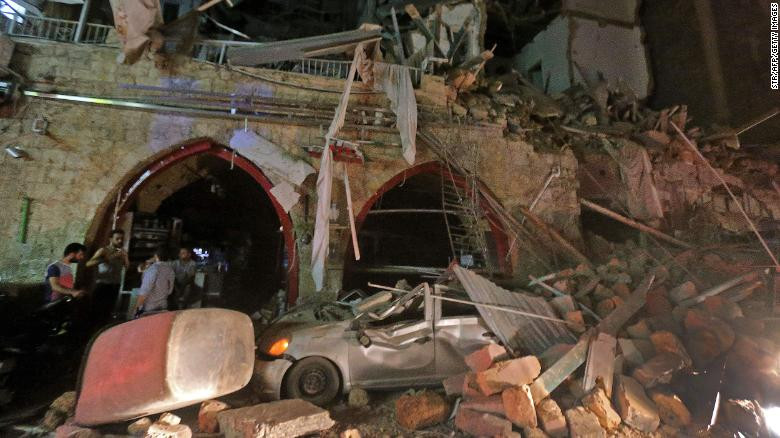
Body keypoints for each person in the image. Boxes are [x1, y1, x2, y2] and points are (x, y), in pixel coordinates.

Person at [86, 229, 129, 325]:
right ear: (111, 239)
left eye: (122, 239)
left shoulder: (122, 252)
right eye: (117, 239)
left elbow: (126, 267)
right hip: (102, 285)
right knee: (96, 312)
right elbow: (88, 263)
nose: (120, 241)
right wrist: (109, 258)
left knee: (108, 312)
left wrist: (125, 257)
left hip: (115, 285)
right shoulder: (103, 250)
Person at [134, 245, 175, 318]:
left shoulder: (153, 269)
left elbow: (144, 293)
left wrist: (136, 310)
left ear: (155, 256)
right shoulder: (170, 270)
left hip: (148, 309)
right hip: (163, 308)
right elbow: (170, 291)